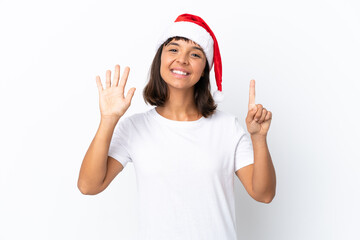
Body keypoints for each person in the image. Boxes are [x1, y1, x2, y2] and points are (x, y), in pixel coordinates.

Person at [78, 13, 276, 240]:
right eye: (173, 49)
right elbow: (88, 186)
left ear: (204, 69)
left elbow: (264, 194)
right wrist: (108, 120)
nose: (182, 59)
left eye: (195, 54)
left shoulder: (227, 127)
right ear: (159, 59)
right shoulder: (135, 127)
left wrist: (259, 139)